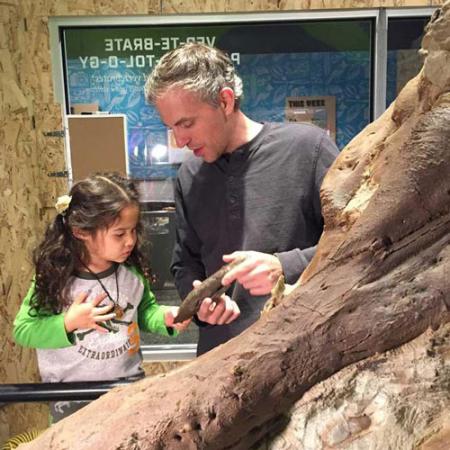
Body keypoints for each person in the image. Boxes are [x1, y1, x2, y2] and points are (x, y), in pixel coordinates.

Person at [145, 43, 339, 355]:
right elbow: (185, 263)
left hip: (302, 352)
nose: (179, 140)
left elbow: (359, 242)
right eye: (171, 127)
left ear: (224, 101)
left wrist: (285, 266)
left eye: (186, 123)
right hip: (218, 359)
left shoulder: (308, 150)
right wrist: (201, 302)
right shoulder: (189, 175)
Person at [13, 173, 190, 422]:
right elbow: (23, 329)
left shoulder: (130, 272)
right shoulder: (56, 278)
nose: (130, 241)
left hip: (126, 390)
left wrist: (166, 318)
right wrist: (67, 323)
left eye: (133, 231)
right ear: (80, 231)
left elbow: (145, 310)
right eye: (119, 234)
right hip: (72, 398)